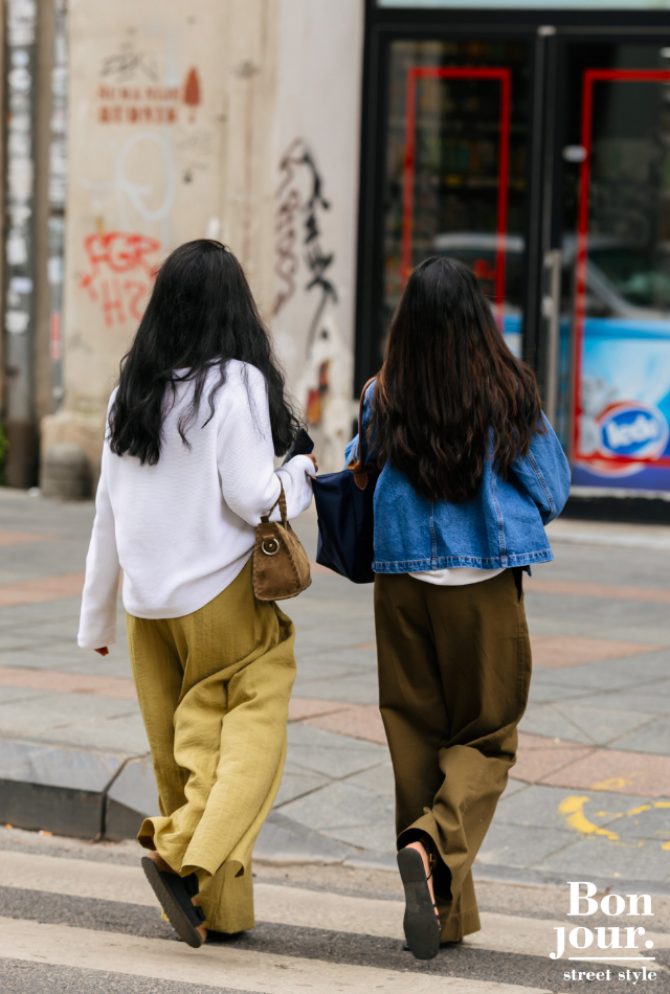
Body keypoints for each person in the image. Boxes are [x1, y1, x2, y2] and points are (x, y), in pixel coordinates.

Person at [77, 239, 317, 948]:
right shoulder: (234, 381)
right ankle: (178, 849)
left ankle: (214, 908)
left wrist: (97, 613)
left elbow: (106, 509)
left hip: (146, 606)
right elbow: (254, 497)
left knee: (179, 757)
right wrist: (302, 473)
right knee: (252, 736)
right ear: (233, 310)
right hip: (220, 599)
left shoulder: (132, 391)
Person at [345, 256, 570, 960]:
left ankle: (440, 914)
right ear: (479, 317)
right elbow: (553, 489)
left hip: (400, 585)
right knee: (489, 737)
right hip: (481, 585)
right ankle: (432, 841)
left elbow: (360, 464)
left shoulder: (385, 393)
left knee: (414, 734)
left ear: (405, 321)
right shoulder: (509, 392)